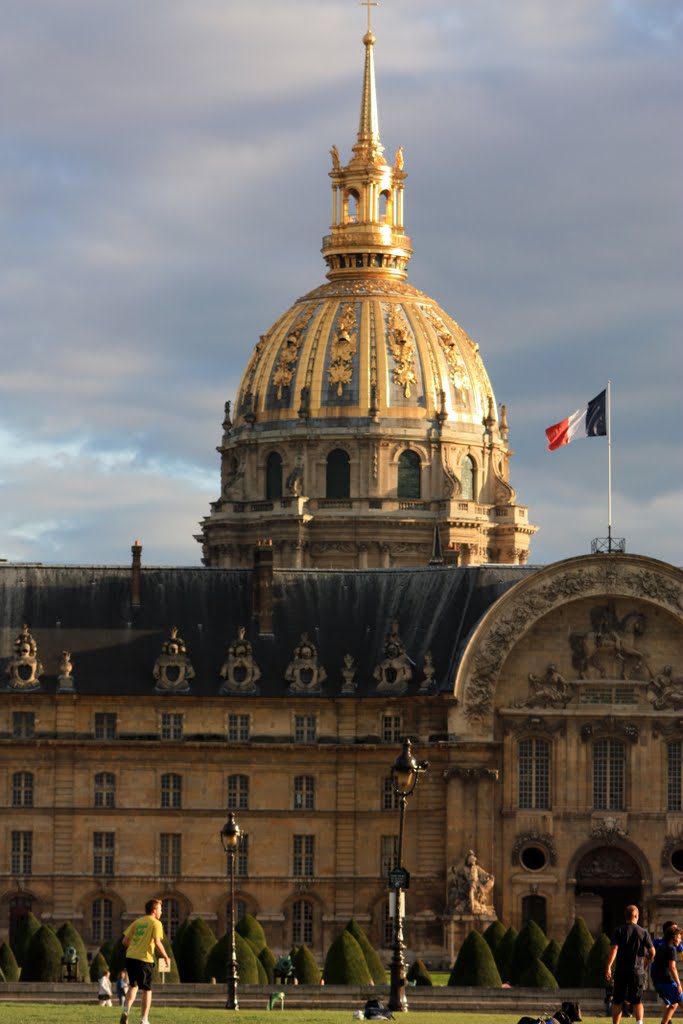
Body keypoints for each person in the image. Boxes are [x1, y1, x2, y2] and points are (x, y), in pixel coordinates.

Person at [120, 898, 170, 1024]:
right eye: (160, 909)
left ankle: (126, 1011)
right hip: (144, 959)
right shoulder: (156, 923)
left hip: (130, 957)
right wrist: (166, 957)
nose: (161, 912)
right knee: (147, 990)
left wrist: (135, 947)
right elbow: (158, 943)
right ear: (154, 910)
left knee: (133, 986)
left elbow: (125, 941)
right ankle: (144, 1019)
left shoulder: (138, 922)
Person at [606, 904, 655, 1024]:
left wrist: (608, 966)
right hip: (637, 971)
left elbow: (614, 949)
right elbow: (652, 951)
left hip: (621, 970)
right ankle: (639, 1022)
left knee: (618, 1000)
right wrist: (646, 961)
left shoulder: (619, 930)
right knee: (637, 1001)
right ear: (636, 916)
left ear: (626, 916)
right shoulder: (643, 932)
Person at [651, 924, 683, 1024]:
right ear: (673, 938)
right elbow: (672, 968)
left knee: (674, 1004)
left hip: (658, 983)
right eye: (679, 938)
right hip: (667, 982)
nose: (680, 940)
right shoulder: (672, 949)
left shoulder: (661, 947)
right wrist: (679, 984)